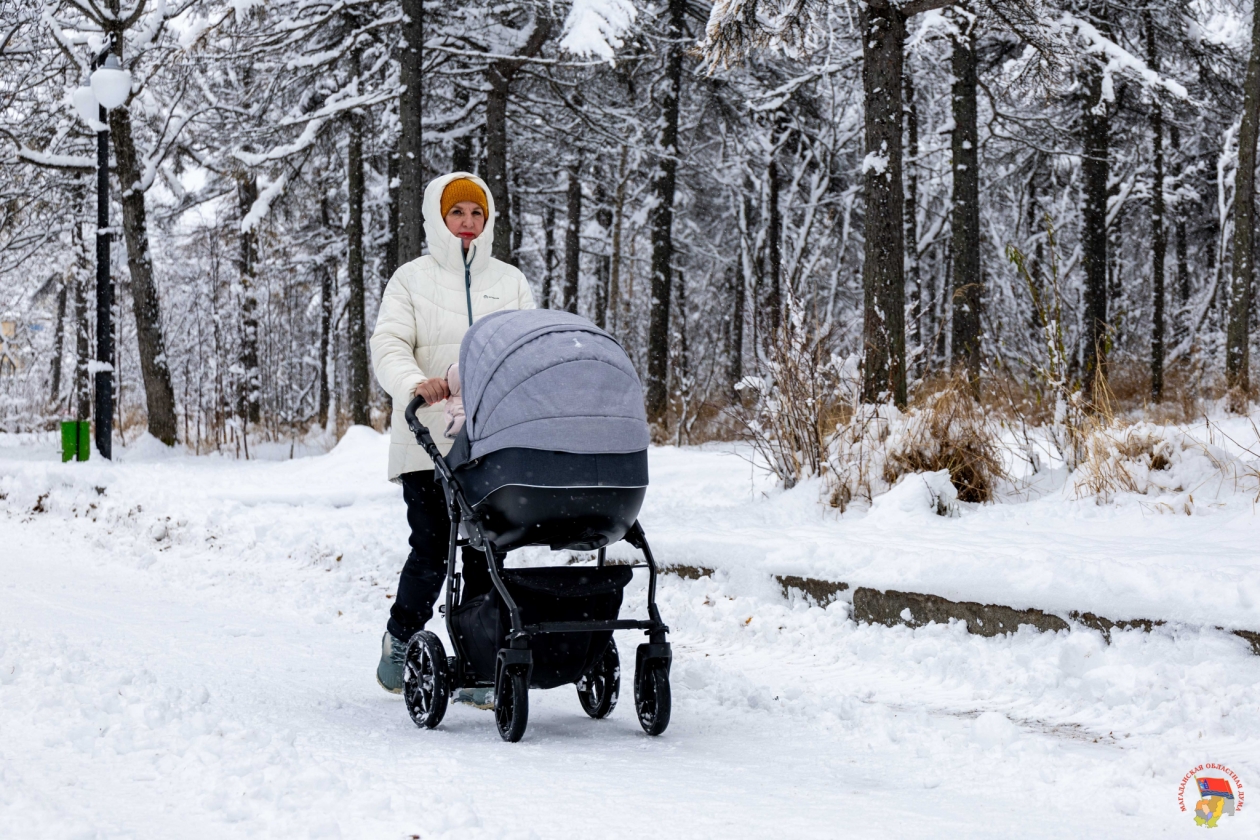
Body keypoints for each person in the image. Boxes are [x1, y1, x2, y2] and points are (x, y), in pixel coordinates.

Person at [370, 172, 535, 700]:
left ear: (488, 222)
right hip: (428, 439)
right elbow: (389, 343)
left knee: (488, 551)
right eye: (457, 214)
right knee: (433, 548)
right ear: (438, 221)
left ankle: (480, 657)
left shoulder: (510, 282)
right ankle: (400, 639)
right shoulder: (411, 280)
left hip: (491, 442)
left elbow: (527, 347)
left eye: (476, 214)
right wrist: (416, 383)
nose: (467, 224)